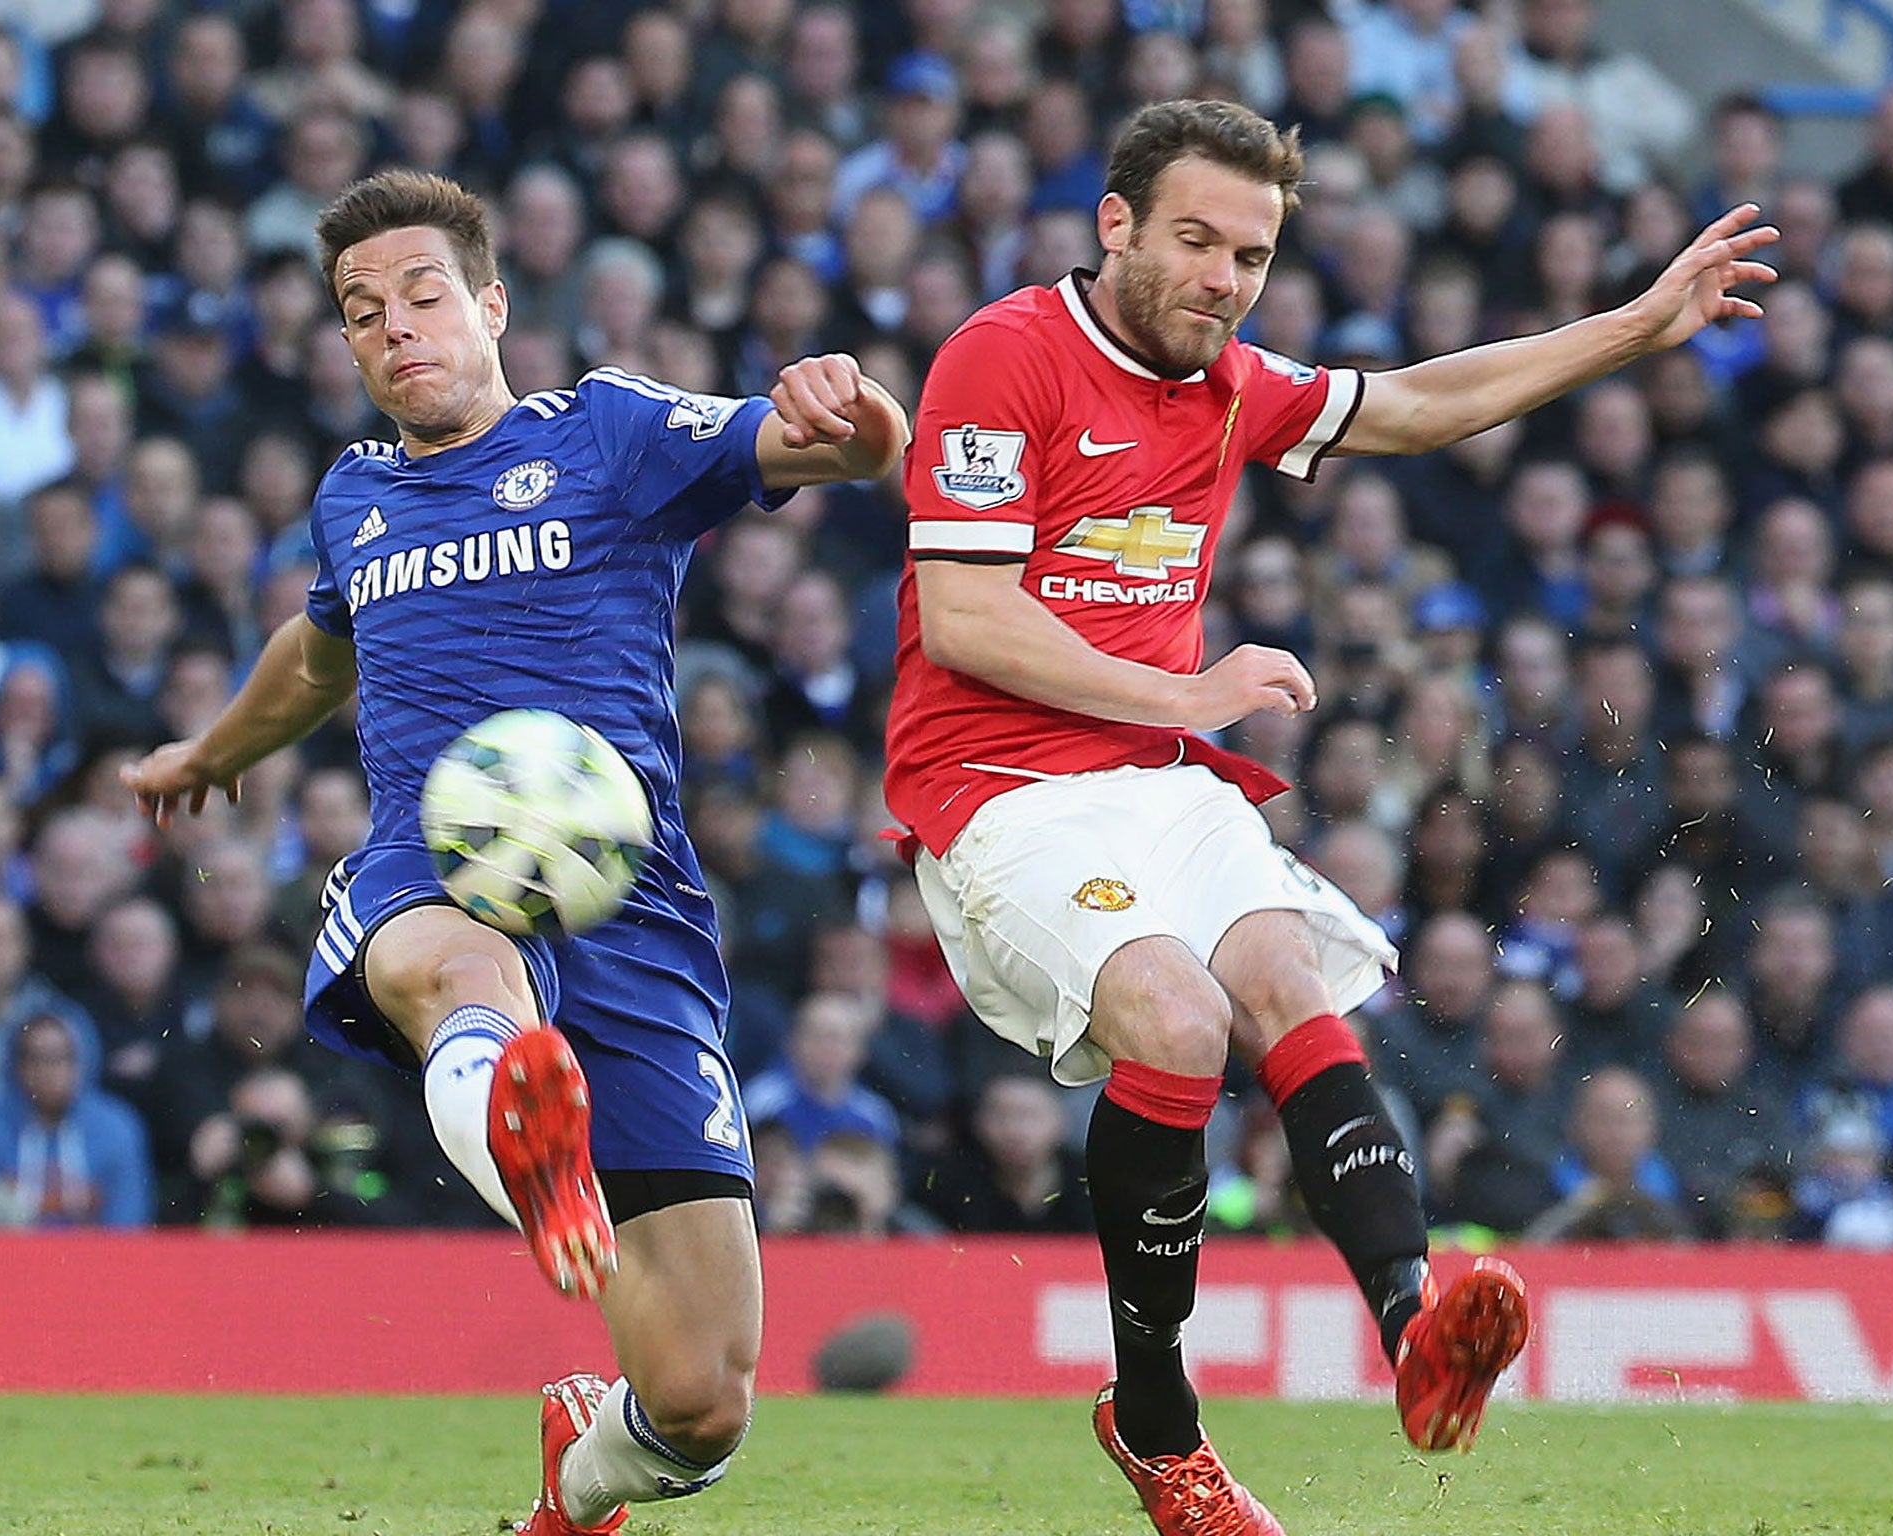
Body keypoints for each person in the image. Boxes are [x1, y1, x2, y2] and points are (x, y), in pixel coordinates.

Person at [885, 98, 1774, 1536]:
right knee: (1176, 1024)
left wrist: (1626, 327)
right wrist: (1187, 693)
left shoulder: (1229, 381)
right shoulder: (1004, 356)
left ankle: (1417, 1328)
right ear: (1114, 225)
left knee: (1288, 984)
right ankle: (1158, 1424)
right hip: (1005, 794)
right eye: (1194, 240)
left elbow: (1412, 403)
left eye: (1250, 252)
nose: (1224, 277)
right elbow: (972, 620)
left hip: (1158, 780)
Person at [121, 170, 908, 1536]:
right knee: (451, 965)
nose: (394, 330)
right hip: (429, 864)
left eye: (422, 296)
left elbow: (826, 454)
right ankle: (532, 1150)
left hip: (632, 912)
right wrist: (209, 757)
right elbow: (317, 660)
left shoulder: (609, 432)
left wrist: (864, 421)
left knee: (704, 1402)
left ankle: (577, 1479)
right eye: (361, 315)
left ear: (490, 304)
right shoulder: (354, 499)